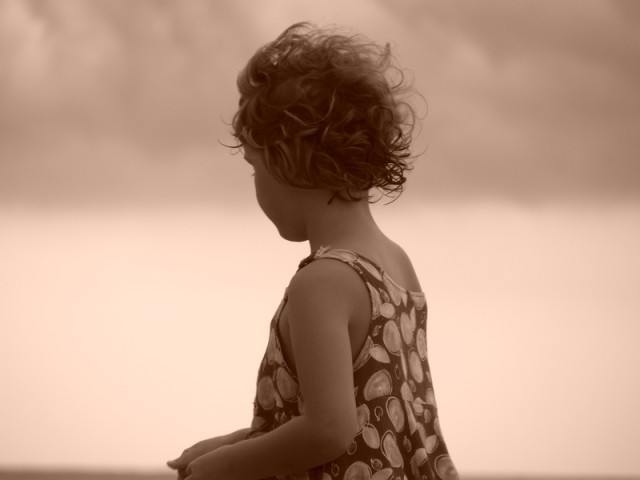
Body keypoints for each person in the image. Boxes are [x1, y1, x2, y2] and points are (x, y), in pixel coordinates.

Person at [167, 22, 459, 480]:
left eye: (254, 167)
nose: (257, 186)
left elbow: (328, 429)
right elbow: (368, 415)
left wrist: (221, 468)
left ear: (289, 160)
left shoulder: (323, 282)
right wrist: (234, 443)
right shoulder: (396, 264)